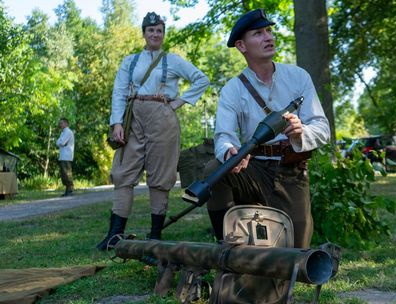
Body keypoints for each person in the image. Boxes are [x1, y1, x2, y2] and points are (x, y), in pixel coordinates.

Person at [205, 9, 330, 249]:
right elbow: (224, 135)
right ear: (241, 46)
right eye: (258, 33)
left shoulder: (298, 77)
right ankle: (228, 246)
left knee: (295, 251)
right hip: (253, 168)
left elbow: (322, 128)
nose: (268, 37)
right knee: (214, 169)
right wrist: (229, 151)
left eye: (269, 31)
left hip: (291, 170)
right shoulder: (232, 89)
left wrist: (301, 131)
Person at [96, 12, 210, 251]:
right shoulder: (130, 61)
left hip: (163, 118)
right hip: (134, 116)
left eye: (159, 30)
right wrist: (117, 123)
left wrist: (179, 102)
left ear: (163, 34)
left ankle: (155, 234)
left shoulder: (173, 60)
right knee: (123, 172)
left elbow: (201, 79)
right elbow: (118, 92)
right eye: (151, 30)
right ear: (144, 33)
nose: (155, 34)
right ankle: (115, 234)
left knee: (160, 176)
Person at [56, 118, 75, 197]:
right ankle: (67, 190)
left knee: (67, 173)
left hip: (67, 155)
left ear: (66, 123)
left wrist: (59, 142)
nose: (60, 125)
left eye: (62, 123)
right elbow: (58, 142)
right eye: (60, 123)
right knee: (64, 174)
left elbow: (62, 142)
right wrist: (59, 142)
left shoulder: (68, 132)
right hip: (63, 155)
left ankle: (70, 190)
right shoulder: (63, 132)